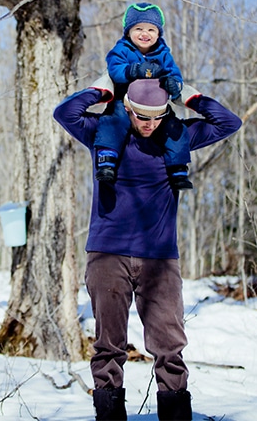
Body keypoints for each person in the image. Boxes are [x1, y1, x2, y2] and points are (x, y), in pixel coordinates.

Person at [53, 77, 242, 420]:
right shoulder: (105, 134)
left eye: (156, 116)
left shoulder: (175, 137)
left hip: (160, 260)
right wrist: (104, 87)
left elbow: (229, 122)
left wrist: (188, 95)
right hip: (108, 255)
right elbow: (65, 112)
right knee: (108, 346)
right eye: (142, 116)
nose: (150, 124)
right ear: (128, 108)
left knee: (170, 346)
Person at [94, 2, 193, 190]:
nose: (144, 34)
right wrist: (132, 70)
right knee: (114, 119)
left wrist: (173, 84)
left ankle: (178, 168)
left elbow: (174, 75)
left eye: (151, 29)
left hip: (156, 104)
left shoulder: (163, 54)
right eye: (138, 28)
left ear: (158, 33)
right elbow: (114, 69)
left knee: (173, 125)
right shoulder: (122, 50)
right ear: (128, 32)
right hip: (125, 100)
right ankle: (107, 159)